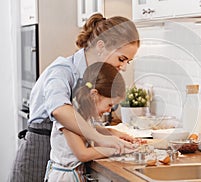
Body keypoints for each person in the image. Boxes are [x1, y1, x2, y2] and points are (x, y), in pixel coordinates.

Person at [9, 13, 140, 182]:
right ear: (101, 46)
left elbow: (83, 118)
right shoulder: (63, 70)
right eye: (121, 59)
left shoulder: (92, 76)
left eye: (127, 62)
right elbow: (60, 111)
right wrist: (99, 137)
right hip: (39, 153)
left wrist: (109, 132)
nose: (123, 67)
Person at [45, 62, 135, 181]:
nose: (109, 110)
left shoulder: (85, 110)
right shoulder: (70, 116)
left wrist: (114, 133)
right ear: (94, 94)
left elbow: (90, 130)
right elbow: (82, 154)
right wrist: (115, 150)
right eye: (109, 105)